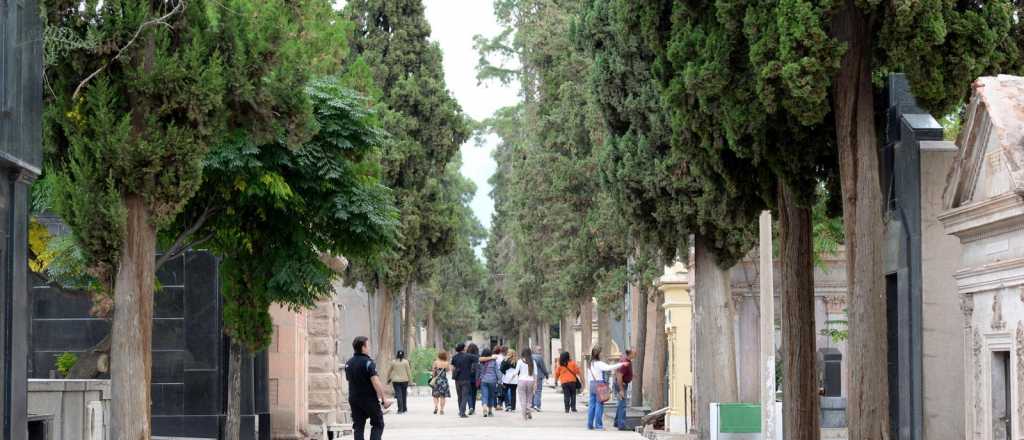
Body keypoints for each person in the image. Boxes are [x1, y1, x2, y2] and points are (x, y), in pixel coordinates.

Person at [343, 336, 392, 440]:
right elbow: (376, 382)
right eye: (368, 345)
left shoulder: (348, 364)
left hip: (354, 399)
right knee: (378, 423)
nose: (368, 348)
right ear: (363, 347)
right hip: (368, 399)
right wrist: (384, 399)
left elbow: (349, 380)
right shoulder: (368, 363)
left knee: (358, 426)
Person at [451, 342, 496, 418]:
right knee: (465, 396)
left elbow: (452, 367)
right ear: (464, 348)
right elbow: (480, 359)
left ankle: (460, 410)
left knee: (460, 396)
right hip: (466, 378)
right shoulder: (468, 356)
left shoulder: (454, 357)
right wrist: (491, 358)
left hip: (457, 379)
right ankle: (462, 412)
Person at [586, 346, 624, 431]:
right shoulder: (599, 363)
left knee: (592, 405)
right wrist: (621, 364)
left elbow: (588, 376)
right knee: (599, 405)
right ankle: (598, 425)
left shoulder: (590, 363)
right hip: (599, 384)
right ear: (598, 354)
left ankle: (589, 424)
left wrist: (589, 386)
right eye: (601, 352)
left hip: (592, 384)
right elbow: (608, 368)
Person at [513, 347, 539, 421]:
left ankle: (524, 415)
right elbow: (535, 373)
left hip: (521, 381)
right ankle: (528, 409)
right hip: (530, 381)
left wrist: (511, 378)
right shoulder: (533, 361)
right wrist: (535, 383)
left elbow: (516, 372)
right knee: (529, 397)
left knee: (522, 398)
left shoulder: (520, 361)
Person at [384, 350, 412, 414]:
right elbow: (409, 372)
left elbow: (389, 371)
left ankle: (400, 410)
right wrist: (411, 381)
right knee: (404, 394)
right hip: (405, 380)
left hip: (396, 381)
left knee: (399, 395)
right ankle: (404, 408)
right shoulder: (406, 362)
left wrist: (388, 379)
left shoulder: (393, 362)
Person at [613, 350, 634, 429]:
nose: (635, 354)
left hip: (622, 383)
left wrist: (631, 375)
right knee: (623, 405)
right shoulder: (625, 362)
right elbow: (619, 376)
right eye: (634, 353)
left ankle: (616, 422)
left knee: (620, 404)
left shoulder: (626, 360)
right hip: (621, 384)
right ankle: (621, 425)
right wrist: (621, 389)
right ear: (630, 354)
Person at [478, 348, 500, 417]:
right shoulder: (494, 361)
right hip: (492, 380)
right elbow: (497, 372)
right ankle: (490, 411)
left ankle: (484, 408)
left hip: (483, 380)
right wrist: (500, 380)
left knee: (484, 395)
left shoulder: (481, 361)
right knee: (491, 396)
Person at [430, 351, 452, 415]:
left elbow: (433, 371)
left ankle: (436, 406)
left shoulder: (435, 362)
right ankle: (442, 409)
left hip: (437, 381)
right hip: (444, 381)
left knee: (435, 395)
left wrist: (433, 377)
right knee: (443, 396)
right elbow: (448, 370)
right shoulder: (447, 363)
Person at [531, 346, 550, 411]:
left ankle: (532, 405)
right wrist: (546, 374)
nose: (540, 351)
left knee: (532, 391)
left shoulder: (530, 357)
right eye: (539, 350)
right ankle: (537, 405)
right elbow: (543, 367)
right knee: (538, 391)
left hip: (530, 376)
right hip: (538, 376)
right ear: (535, 350)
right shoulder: (539, 357)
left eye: (540, 349)